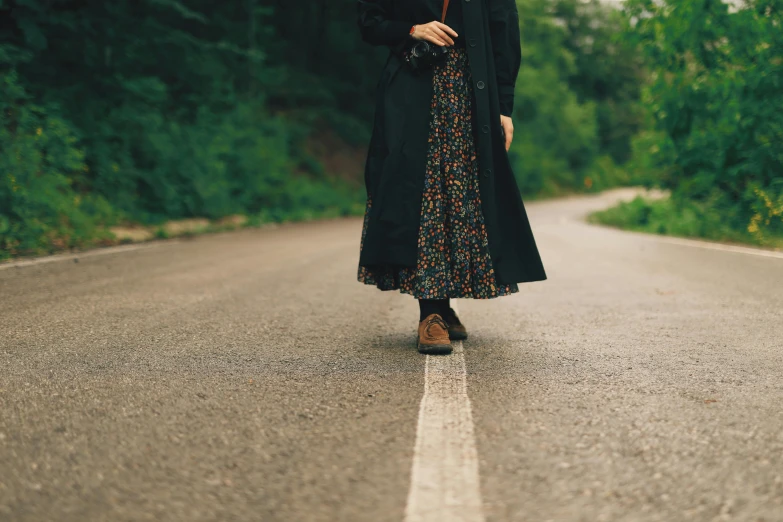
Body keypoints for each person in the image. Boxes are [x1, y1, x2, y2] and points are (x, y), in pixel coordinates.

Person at [357, 0, 547, 355]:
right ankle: (430, 313)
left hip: (471, 96)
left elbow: (504, 35)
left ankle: (441, 306)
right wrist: (413, 30)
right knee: (424, 194)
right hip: (412, 92)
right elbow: (369, 22)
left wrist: (504, 108)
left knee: (461, 199)